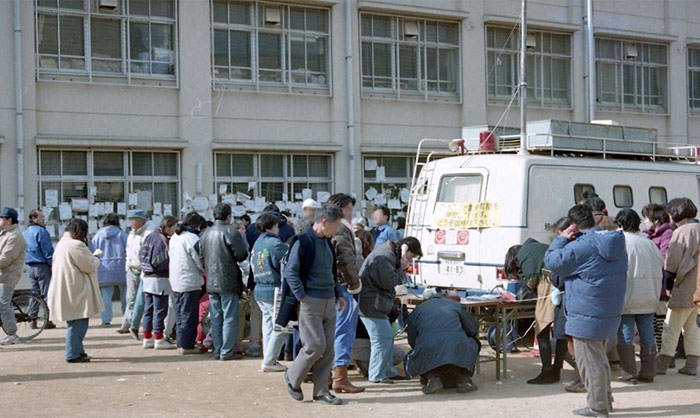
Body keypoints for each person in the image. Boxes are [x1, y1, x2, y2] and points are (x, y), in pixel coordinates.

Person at [545, 204, 627, 418]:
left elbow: (553, 262)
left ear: (573, 225)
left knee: (590, 364)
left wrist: (562, 238)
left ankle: (598, 408)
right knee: (600, 361)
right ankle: (605, 401)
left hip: (586, 313)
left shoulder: (582, 246)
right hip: (609, 312)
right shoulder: (615, 242)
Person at [282, 203, 347, 406]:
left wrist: (338, 293)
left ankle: (321, 392)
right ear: (325, 222)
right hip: (310, 301)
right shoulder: (303, 242)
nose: (337, 230)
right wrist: (302, 296)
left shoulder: (328, 243)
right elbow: (290, 272)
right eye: (336, 225)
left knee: (328, 349)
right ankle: (292, 378)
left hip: (329, 299)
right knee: (314, 345)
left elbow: (331, 271)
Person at [359, 236, 421, 384]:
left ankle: (387, 372)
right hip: (371, 303)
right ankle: (377, 374)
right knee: (381, 340)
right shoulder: (386, 256)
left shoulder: (388, 254)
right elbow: (388, 282)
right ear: (405, 250)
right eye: (410, 256)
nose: (410, 260)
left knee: (386, 338)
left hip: (374, 303)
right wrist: (401, 268)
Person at [504, 237, 567, 384]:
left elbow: (531, 283)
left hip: (549, 285)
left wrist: (517, 297)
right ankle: (557, 370)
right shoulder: (537, 247)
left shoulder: (524, 255)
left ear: (514, 260)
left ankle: (547, 372)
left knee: (542, 329)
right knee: (561, 332)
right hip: (562, 285)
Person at [614, 209, 663, 384]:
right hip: (649, 295)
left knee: (626, 335)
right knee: (647, 334)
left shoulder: (621, 242)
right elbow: (661, 264)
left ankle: (629, 373)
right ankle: (648, 372)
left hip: (628, 296)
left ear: (620, 224)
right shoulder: (649, 243)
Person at [46, 219, 104, 362]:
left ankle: (78, 350)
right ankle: (72, 353)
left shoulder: (61, 244)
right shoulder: (76, 245)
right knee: (79, 322)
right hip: (76, 288)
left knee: (75, 321)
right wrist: (96, 257)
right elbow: (88, 265)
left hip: (66, 287)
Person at [325, 193, 365, 393]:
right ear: (340, 208)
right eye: (349, 209)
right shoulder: (341, 228)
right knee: (344, 332)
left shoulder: (327, 226)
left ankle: (328, 376)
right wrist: (354, 284)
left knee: (332, 332)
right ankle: (340, 377)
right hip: (344, 286)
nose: (351, 213)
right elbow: (346, 260)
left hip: (331, 287)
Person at [404, 291, 480, 395]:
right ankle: (464, 380)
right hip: (456, 344)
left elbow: (412, 340)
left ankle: (432, 378)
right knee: (474, 342)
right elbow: (473, 329)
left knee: (419, 350)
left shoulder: (417, 310)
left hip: (428, 347)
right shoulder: (455, 305)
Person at [656, 198, 700, 376]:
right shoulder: (698, 227)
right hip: (698, 288)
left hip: (684, 286)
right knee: (693, 328)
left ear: (675, 213)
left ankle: (662, 364)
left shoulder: (681, 232)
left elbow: (672, 263)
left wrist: (668, 284)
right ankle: (691, 364)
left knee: (671, 326)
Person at [200, 204, 249, 360]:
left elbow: (201, 256)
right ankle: (226, 351)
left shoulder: (206, 233)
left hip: (212, 281)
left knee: (216, 317)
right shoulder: (231, 231)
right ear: (228, 216)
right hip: (228, 279)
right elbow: (241, 255)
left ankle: (217, 349)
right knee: (230, 317)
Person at [251, 213, 288, 371]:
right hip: (274, 288)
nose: (278, 229)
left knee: (268, 325)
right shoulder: (275, 243)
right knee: (280, 325)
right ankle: (269, 360)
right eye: (276, 226)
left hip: (259, 288)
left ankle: (268, 357)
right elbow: (289, 258)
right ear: (270, 226)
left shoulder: (257, 243)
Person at [169, 212, 207, 355]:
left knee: (180, 315)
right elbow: (199, 259)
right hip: (189, 281)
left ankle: (181, 344)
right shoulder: (192, 238)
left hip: (176, 280)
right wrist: (205, 270)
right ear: (196, 226)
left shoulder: (175, 237)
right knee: (189, 316)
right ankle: (187, 346)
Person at [139, 215, 178, 350]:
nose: (175, 230)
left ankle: (147, 337)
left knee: (148, 309)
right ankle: (159, 338)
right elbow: (160, 261)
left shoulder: (150, 236)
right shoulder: (163, 240)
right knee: (160, 309)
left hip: (147, 277)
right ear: (168, 227)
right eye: (174, 227)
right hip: (159, 278)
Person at [90, 213, 128, 327]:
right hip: (121, 267)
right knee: (125, 294)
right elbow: (128, 249)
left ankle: (106, 319)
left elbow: (93, 251)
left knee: (106, 295)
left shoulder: (97, 236)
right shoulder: (122, 234)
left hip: (104, 268)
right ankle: (126, 317)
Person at [119, 209, 151, 335]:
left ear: (141, 220)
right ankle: (127, 323)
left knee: (143, 299)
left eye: (134, 219)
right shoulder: (130, 234)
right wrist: (127, 267)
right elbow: (127, 252)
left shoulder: (148, 233)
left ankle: (139, 325)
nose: (132, 222)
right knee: (130, 298)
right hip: (131, 270)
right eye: (130, 219)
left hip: (144, 270)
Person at [23, 209, 56, 329]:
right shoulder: (42, 232)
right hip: (42, 265)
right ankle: (47, 319)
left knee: (34, 293)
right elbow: (47, 250)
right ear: (34, 218)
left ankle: (32, 319)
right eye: (41, 217)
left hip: (30, 265)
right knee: (46, 293)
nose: (43, 219)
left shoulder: (25, 232)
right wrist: (52, 264)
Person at [352, 307, 406, 378]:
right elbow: (393, 313)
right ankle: (369, 367)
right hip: (362, 342)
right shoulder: (377, 305)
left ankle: (359, 362)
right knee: (397, 354)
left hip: (342, 347)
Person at [0, 207, 26, 346]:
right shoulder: (4, 233)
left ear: (9, 220)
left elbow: (6, 259)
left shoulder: (15, 236)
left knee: (3, 303)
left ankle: (12, 334)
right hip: (1, 274)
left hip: (8, 275)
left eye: (1, 218)